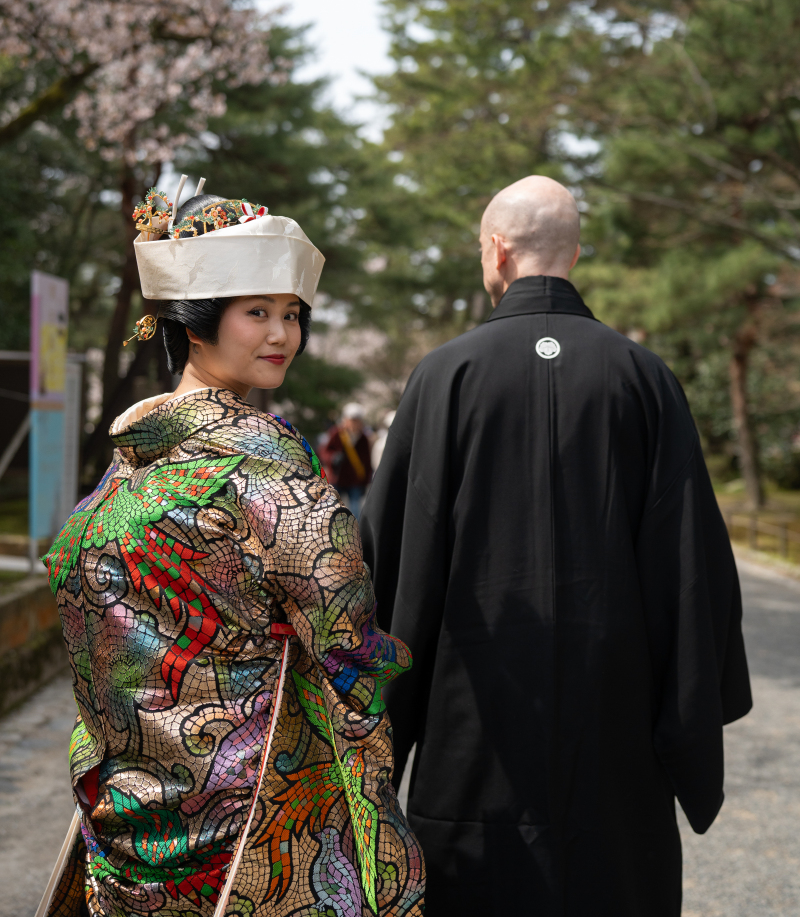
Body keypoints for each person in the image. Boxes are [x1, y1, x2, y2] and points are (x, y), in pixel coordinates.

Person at [361, 174, 752, 917]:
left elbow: (395, 573)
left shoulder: (444, 376)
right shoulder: (644, 377)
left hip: (470, 736)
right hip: (616, 739)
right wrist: (687, 729)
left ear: (497, 250)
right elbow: (692, 569)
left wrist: (382, 737)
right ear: (574, 252)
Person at [41, 184, 424, 917]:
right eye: (258, 313)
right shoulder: (267, 473)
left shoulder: (124, 467)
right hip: (251, 824)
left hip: (129, 810)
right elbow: (348, 653)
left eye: (291, 315)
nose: (282, 334)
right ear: (196, 322)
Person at [321, 402, 372, 521]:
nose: (355, 423)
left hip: (355, 480)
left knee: (355, 510)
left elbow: (366, 461)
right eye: (352, 420)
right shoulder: (336, 433)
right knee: (333, 509)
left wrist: (365, 481)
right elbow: (324, 452)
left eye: (357, 420)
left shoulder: (363, 438)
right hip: (338, 478)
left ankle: (354, 534)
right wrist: (333, 457)